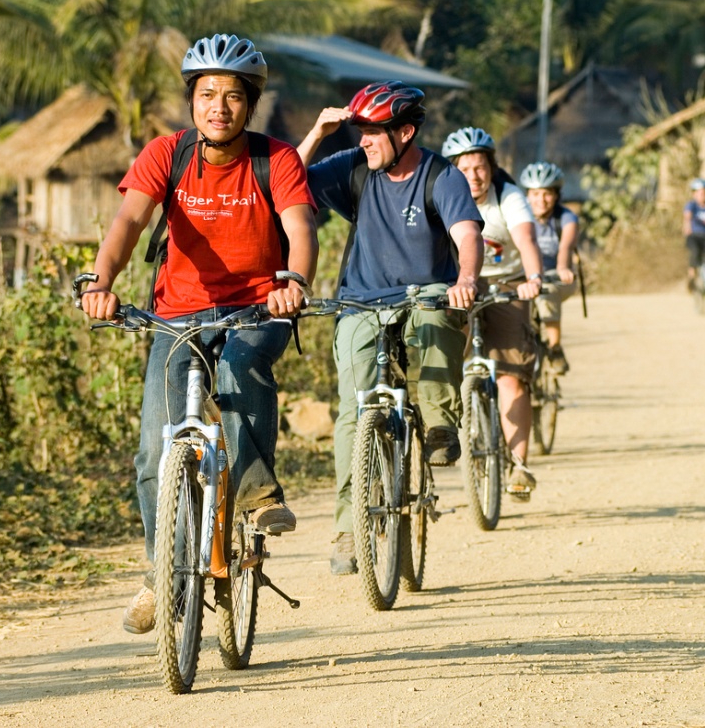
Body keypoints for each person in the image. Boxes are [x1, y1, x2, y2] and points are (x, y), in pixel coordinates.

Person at [78, 34, 318, 634]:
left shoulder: (276, 160)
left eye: (233, 96)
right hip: (177, 317)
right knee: (154, 452)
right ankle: (161, 574)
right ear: (191, 101)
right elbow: (129, 221)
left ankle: (260, 496)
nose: (219, 107)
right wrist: (98, 281)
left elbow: (300, 226)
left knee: (241, 366)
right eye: (207, 94)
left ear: (251, 104)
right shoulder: (167, 154)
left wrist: (293, 280)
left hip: (257, 311)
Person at [297, 81, 484, 576]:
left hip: (426, 296)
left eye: (374, 133)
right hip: (360, 302)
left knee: (436, 318)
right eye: (360, 132)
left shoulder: (440, 176)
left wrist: (464, 279)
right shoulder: (355, 169)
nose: (364, 141)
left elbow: (467, 234)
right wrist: (318, 131)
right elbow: (286, 182)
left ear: (405, 132)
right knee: (353, 412)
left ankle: (440, 425)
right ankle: (348, 528)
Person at [440, 127, 547, 499]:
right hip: (458, 285)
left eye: (480, 167)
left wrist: (533, 278)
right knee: (444, 353)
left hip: (509, 283)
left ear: (492, 167)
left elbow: (526, 240)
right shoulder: (444, 196)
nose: (474, 175)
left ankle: (519, 466)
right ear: (454, 171)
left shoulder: (509, 196)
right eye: (465, 168)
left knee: (511, 376)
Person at [518, 162, 578, 374]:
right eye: (535, 194)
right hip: (523, 277)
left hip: (557, 277)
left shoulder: (566, 218)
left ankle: (555, 348)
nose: (540, 200)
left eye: (547, 194)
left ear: (556, 195)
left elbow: (565, 249)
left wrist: (563, 269)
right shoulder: (518, 216)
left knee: (547, 293)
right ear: (526, 195)